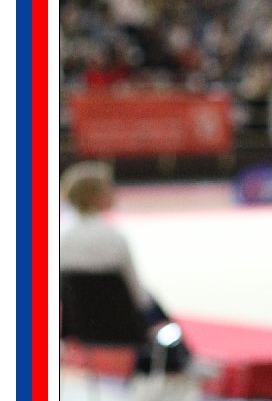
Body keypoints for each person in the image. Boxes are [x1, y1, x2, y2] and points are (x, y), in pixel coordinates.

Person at [59, 161, 191, 376]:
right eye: (108, 189)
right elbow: (138, 297)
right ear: (95, 196)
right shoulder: (114, 239)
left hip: (76, 325)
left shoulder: (59, 235)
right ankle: (181, 361)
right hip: (122, 325)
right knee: (153, 305)